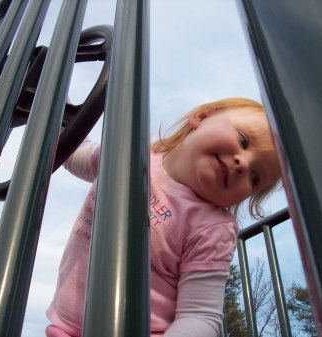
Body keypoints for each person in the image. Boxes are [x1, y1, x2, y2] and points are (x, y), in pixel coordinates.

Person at [46, 97, 282, 337]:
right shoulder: (129, 158)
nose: (243, 164)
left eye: (255, 177)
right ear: (202, 118)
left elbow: (201, 315)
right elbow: (71, 152)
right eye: (243, 140)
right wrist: (53, 107)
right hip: (67, 329)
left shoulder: (212, 228)